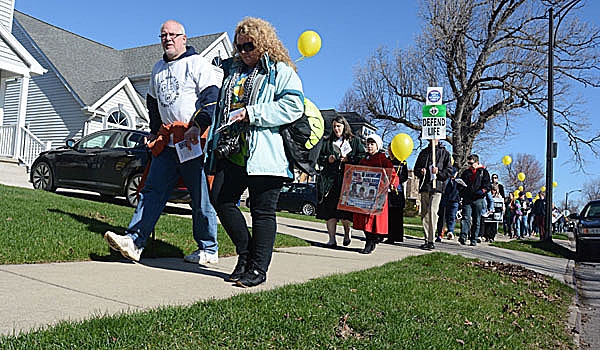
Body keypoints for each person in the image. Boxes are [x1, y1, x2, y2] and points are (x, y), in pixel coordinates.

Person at [104, 20, 220, 263]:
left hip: (192, 144)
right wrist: (155, 130)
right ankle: (135, 241)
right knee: (151, 192)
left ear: (184, 38)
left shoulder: (197, 64)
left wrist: (197, 125)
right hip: (167, 144)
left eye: (172, 35)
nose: (167, 39)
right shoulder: (157, 68)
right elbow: (153, 103)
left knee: (200, 198)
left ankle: (208, 248)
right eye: (163, 35)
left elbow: (212, 98)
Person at [206, 17, 304, 288]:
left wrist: (253, 113)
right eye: (239, 47)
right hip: (233, 149)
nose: (244, 52)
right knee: (221, 200)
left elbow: (294, 106)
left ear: (263, 43)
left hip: (266, 153)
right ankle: (246, 254)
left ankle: (258, 269)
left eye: (249, 46)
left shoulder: (279, 71)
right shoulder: (233, 71)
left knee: (262, 212)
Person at [316, 115, 365, 248]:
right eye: (334, 127)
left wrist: (349, 159)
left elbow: (362, 157)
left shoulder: (354, 141)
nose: (336, 129)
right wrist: (328, 159)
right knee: (330, 211)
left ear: (344, 126)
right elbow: (318, 158)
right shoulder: (327, 141)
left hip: (347, 180)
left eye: (339, 126)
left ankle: (347, 234)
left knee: (344, 212)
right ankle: (331, 239)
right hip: (330, 181)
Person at [352, 134, 397, 254]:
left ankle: (371, 241)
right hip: (364, 195)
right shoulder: (364, 160)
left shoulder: (384, 160)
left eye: (372, 144)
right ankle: (370, 240)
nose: (369, 146)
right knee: (364, 220)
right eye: (368, 144)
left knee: (373, 220)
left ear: (377, 146)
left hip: (378, 196)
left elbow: (392, 175)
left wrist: (393, 184)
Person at [413, 139, 453, 249]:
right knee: (425, 213)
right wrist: (421, 171)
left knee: (432, 212)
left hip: (437, 188)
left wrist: (438, 173)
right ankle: (427, 239)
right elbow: (415, 169)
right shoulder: (423, 152)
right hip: (425, 186)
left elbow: (449, 171)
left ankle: (431, 240)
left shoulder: (445, 153)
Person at [458, 154, 491, 246]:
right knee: (466, 218)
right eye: (469, 163)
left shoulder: (483, 172)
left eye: (471, 163)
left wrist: (482, 191)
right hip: (467, 199)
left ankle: (474, 238)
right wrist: (461, 189)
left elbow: (487, 185)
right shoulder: (466, 172)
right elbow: (461, 185)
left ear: (477, 162)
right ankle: (463, 236)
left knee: (477, 219)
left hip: (478, 199)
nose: (470, 165)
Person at [384, 145, 409, 244]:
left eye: (392, 149)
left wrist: (396, 182)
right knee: (388, 214)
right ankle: (386, 235)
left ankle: (397, 236)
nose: (390, 151)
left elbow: (405, 176)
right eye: (389, 149)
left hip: (398, 191)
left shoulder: (402, 162)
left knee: (397, 214)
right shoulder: (386, 161)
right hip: (386, 191)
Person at [435, 167, 462, 241]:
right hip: (445, 200)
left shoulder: (458, 181)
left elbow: (462, 190)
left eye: (455, 174)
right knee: (442, 217)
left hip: (454, 201)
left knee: (452, 217)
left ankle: (450, 231)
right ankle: (440, 234)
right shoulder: (445, 180)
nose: (453, 175)